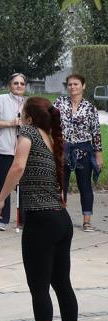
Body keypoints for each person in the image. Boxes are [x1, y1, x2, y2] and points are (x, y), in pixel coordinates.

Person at [0, 97, 80, 321]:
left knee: (39, 286)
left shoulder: (28, 132)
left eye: (22, 113)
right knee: (62, 283)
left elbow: (18, 166)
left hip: (41, 221)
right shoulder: (52, 139)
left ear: (29, 117)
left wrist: (1, 199)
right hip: (61, 220)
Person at [55, 73, 102, 233]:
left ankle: (87, 221)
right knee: (61, 185)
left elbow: (96, 132)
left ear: (83, 86)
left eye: (76, 84)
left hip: (84, 150)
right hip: (63, 149)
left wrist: (98, 154)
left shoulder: (90, 108)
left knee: (85, 186)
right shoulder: (59, 103)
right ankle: (60, 219)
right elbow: (49, 121)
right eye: (70, 84)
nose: (72, 87)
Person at [0, 73, 28, 231]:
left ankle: (23, 220)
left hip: (22, 151)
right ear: (10, 85)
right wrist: (10, 123)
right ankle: (1, 219)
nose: (19, 86)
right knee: (3, 183)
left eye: (22, 84)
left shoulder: (29, 103)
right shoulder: (1, 99)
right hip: (3, 150)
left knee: (23, 185)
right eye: (15, 83)